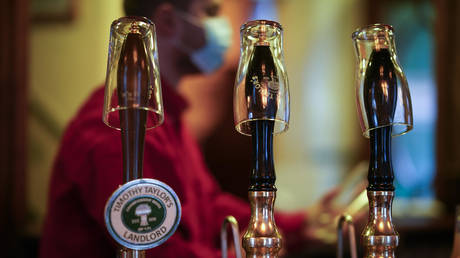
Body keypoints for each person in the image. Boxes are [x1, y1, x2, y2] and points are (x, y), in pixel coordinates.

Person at [39, 0, 344, 257]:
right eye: (209, 12)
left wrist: (301, 224)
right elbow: (160, 249)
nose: (221, 26)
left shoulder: (169, 117)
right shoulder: (118, 127)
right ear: (170, 22)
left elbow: (209, 208)